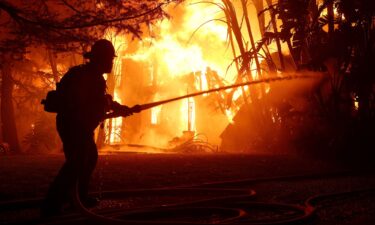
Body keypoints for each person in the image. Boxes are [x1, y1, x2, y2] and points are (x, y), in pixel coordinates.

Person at [41, 39, 140, 217]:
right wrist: (113, 108)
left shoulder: (90, 75)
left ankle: (78, 198)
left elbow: (101, 101)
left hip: (78, 126)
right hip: (74, 126)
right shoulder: (88, 77)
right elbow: (89, 103)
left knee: (88, 159)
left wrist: (119, 108)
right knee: (76, 163)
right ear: (101, 59)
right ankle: (52, 205)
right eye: (109, 59)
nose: (111, 62)